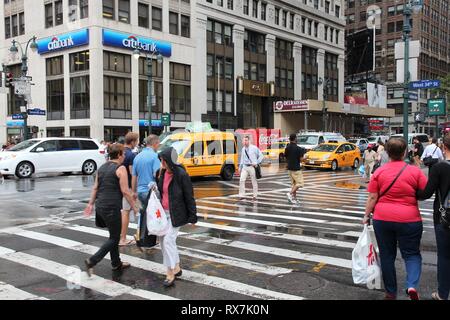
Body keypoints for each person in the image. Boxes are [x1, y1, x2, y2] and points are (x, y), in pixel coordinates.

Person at [363, 138, 427, 300]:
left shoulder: (379, 172)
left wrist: (366, 216)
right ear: (405, 152)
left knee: (387, 255)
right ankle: (411, 285)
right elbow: (425, 192)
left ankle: (391, 292)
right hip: (409, 218)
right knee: (412, 254)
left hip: (383, 218)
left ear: (386, 152)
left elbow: (372, 197)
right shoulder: (414, 171)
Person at [83, 144, 139, 277]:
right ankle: (92, 260)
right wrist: (135, 207)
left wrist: (91, 204)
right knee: (115, 238)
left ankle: (116, 263)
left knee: (113, 235)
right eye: (123, 154)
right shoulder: (121, 169)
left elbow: (95, 187)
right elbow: (125, 191)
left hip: (100, 205)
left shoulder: (102, 167)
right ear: (119, 155)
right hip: (112, 207)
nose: (124, 156)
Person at [157, 147, 197, 287]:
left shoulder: (181, 174)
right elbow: (162, 192)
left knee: (168, 240)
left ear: (170, 160)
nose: (161, 162)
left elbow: (189, 196)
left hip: (177, 213)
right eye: (161, 159)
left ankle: (170, 272)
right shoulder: (161, 172)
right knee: (163, 241)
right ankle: (177, 267)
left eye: (163, 160)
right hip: (163, 213)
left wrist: (193, 217)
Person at [417, 134, 450, 300]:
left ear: (444, 147)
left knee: (444, 256)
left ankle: (443, 294)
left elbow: (426, 193)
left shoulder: (439, 168)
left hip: (444, 218)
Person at [119, 132, 139, 246]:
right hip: (129, 189)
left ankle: (123, 237)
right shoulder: (131, 155)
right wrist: (134, 190)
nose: (137, 143)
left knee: (126, 212)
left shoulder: (121, 152)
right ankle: (124, 238)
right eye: (136, 141)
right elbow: (132, 173)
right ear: (132, 142)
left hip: (121, 187)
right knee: (138, 211)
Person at [238, 136, 264, 201]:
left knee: (254, 181)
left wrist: (256, 163)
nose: (245, 142)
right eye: (244, 141)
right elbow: (242, 159)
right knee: (241, 180)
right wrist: (240, 167)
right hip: (245, 167)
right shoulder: (243, 149)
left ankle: (255, 196)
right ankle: (242, 195)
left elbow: (261, 156)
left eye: (246, 140)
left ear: (249, 141)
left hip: (252, 167)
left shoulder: (254, 148)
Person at [284, 133, 306, 204]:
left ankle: (294, 199)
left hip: (289, 168)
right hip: (296, 169)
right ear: (295, 139)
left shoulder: (287, 148)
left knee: (294, 185)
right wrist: (306, 158)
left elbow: (286, 157)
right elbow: (302, 159)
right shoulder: (298, 148)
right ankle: (290, 194)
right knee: (300, 183)